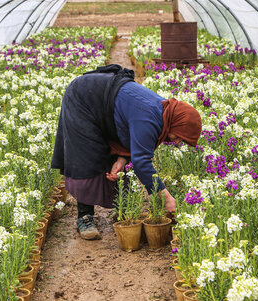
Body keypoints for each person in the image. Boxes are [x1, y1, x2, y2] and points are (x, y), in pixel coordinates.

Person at [51, 64, 202, 240]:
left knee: (116, 164)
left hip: (103, 104)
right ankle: (85, 217)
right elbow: (141, 163)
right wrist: (166, 197)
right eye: (180, 137)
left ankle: (122, 211)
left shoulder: (164, 113)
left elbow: (129, 136)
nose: (177, 142)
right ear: (177, 123)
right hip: (82, 98)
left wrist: (121, 159)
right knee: (87, 159)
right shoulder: (149, 118)